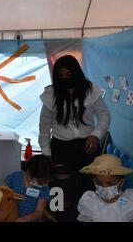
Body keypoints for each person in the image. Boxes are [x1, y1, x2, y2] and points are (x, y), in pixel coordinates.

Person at [38, 54, 111, 221]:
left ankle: (86, 217)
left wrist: (95, 135)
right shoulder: (51, 94)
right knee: (61, 191)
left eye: (68, 75)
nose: (64, 79)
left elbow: (104, 116)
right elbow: (44, 126)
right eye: (60, 76)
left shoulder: (91, 90)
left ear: (76, 74)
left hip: (88, 146)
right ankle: (61, 218)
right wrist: (46, 151)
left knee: (88, 189)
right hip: (61, 147)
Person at [77, 154, 133, 222]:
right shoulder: (89, 201)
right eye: (99, 183)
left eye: (110, 184)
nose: (104, 187)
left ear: (121, 182)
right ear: (94, 181)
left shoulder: (129, 200)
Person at [4, 155, 53, 222]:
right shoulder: (14, 178)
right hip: (11, 217)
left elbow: (39, 211)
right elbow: (2, 193)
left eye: (46, 180)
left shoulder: (44, 189)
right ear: (28, 171)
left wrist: (26, 219)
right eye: (39, 180)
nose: (42, 184)